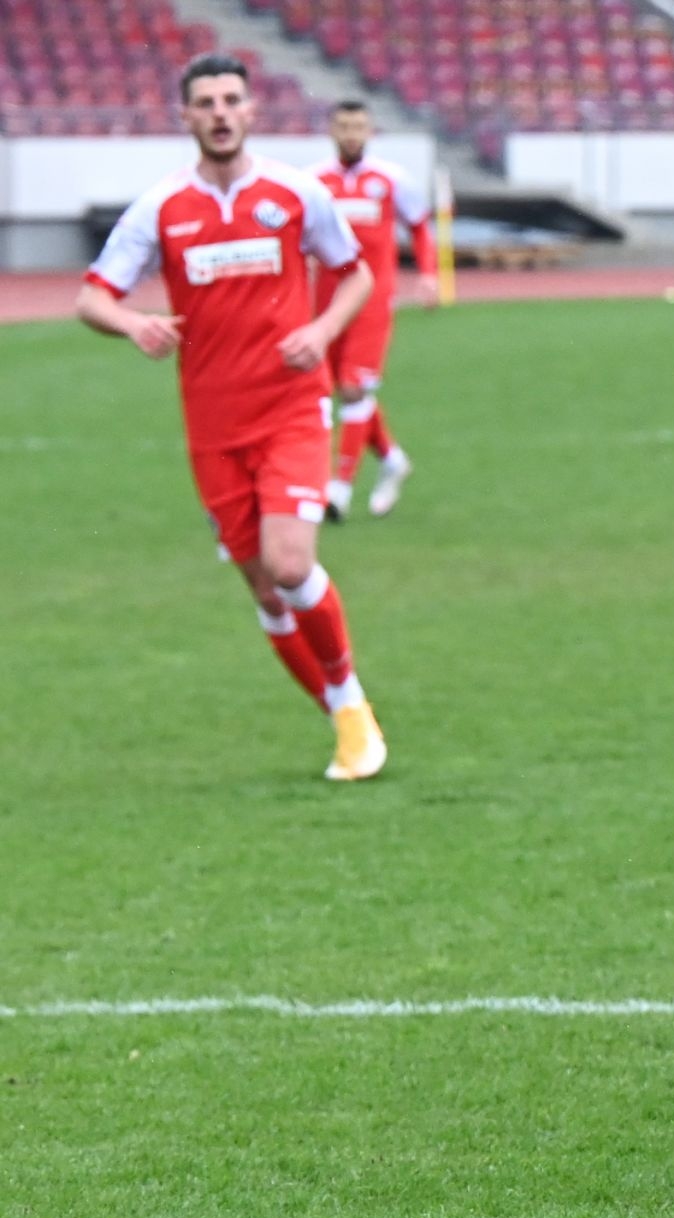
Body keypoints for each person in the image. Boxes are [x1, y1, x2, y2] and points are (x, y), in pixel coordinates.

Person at [76, 53, 388, 781]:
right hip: (213, 426)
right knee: (262, 590)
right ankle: (345, 721)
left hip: (290, 410)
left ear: (252, 111)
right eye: (205, 102)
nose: (219, 112)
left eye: (231, 100)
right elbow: (92, 297)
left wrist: (321, 332)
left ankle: (350, 703)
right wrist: (133, 325)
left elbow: (357, 273)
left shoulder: (295, 193)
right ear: (185, 117)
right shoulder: (161, 209)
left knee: (290, 564)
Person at [312, 98, 436, 521]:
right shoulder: (315, 182)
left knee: (352, 387)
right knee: (335, 386)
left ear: (370, 131)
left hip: (372, 299)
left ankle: (338, 488)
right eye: (343, 125)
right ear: (331, 130)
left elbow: (420, 225)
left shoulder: (390, 180)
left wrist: (428, 275)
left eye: (358, 126)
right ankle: (392, 459)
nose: (351, 133)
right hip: (326, 302)